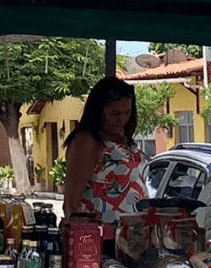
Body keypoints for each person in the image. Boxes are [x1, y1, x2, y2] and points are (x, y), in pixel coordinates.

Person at [62, 77, 147, 236]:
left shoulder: (123, 138)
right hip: (100, 237)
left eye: (126, 112)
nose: (121, 119)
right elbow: (71, 202)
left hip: (130, 237)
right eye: (115, 113)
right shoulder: (86, 141)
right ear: (98, 110)